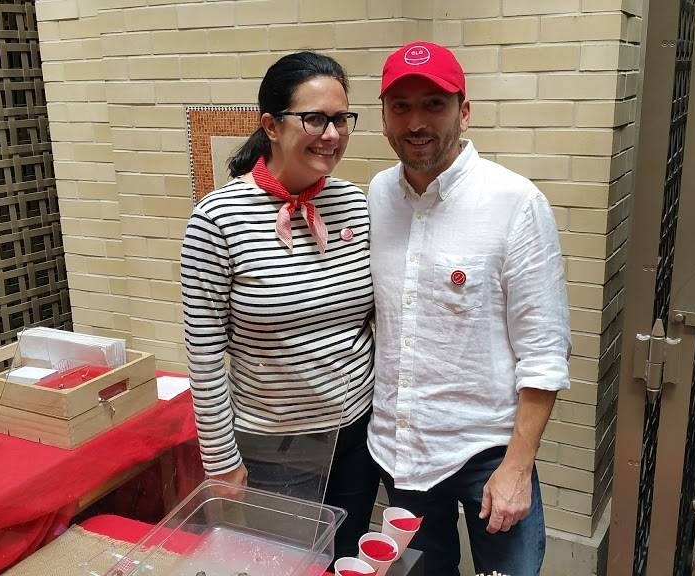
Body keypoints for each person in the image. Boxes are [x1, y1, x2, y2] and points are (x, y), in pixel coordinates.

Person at [366, 42, 572, 576]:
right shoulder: (376, 198)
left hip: (490, 454)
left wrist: (518, 468)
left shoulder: (514, 202)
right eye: (401, 106)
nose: (416, 122)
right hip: (401, 448)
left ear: (464, 109)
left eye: (433, 104)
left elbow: (544, 353)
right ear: (384, 117)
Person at [180, 51, 378, 561]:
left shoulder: (354, 204)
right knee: (285, 564)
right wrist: (221, 460)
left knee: (348, 557)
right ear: (270, 124)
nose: (331, 133)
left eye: (341, 118)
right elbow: (203, 354)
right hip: (273, 446)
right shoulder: (217, 219)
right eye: (314, 118)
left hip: (357, 434)